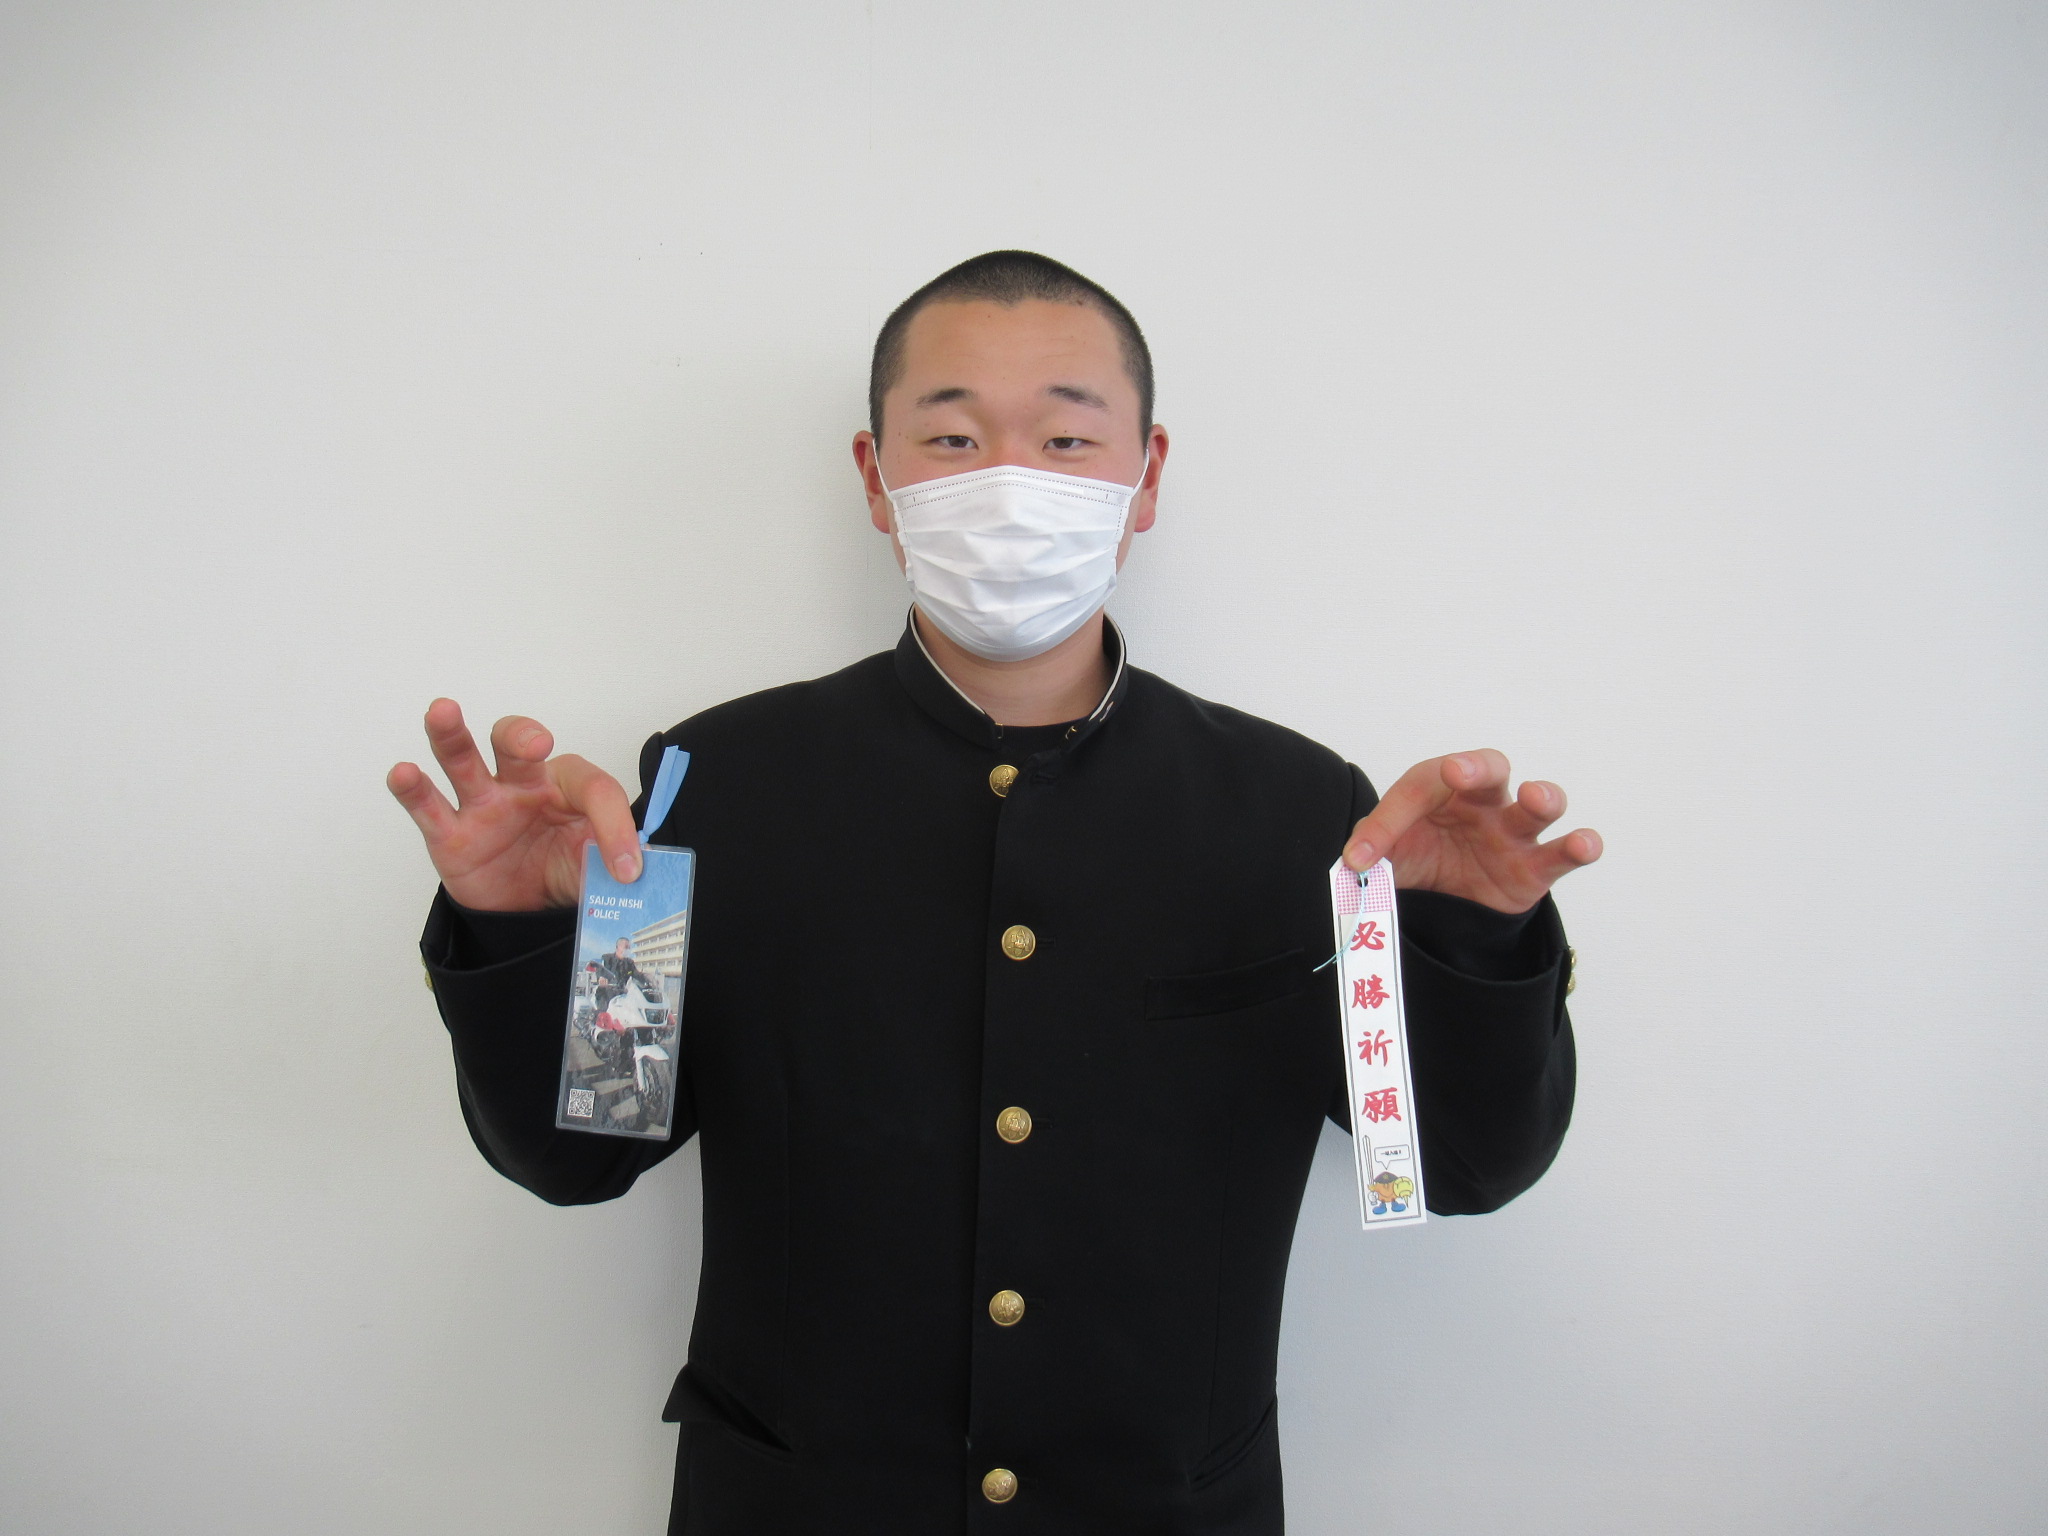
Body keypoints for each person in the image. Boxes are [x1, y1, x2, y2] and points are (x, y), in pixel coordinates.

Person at [387, 251, 1601, 1535]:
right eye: (954, 437)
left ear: (1145, 476)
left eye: (1067, 439)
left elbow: (1455, 1167)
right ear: (875, 477)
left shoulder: (1299, 810)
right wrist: (517, 929)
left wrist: (1477, 935)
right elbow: (580, 1153)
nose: (1012, 482)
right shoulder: (714, 786)